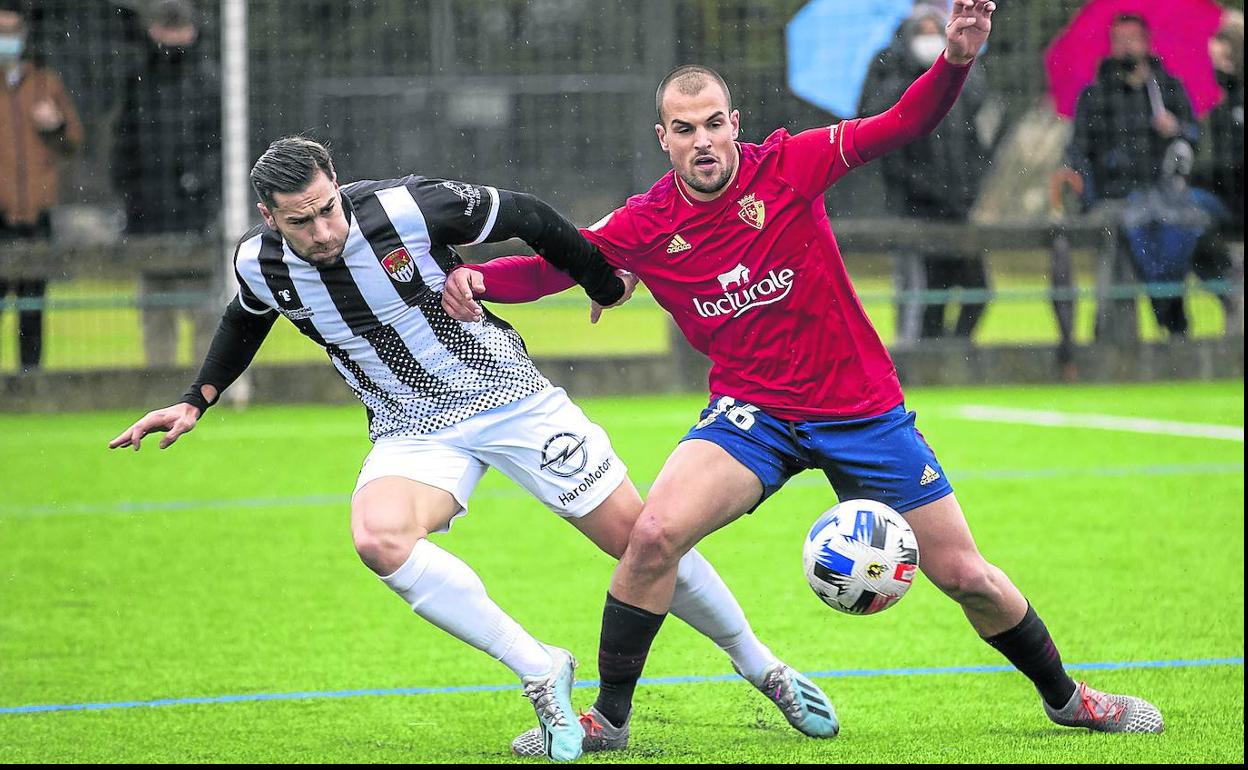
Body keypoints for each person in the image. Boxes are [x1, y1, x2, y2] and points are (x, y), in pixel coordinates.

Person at [444, 1, 1164, 754]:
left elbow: (901, 125)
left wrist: (955, 59)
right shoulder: (645, 223)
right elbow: (556, 263)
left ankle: (1069, 698)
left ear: (734, 122)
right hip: (752, 415)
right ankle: (609, 721)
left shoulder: (788, 163)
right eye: (684, 129)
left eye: (714, 122)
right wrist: (481, 283)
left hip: (862, 411)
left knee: (966, 575)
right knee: (653, 535)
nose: (703, 141)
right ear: (664, 139)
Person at [107, 137, 834, 762]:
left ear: (337, 186)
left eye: (328, 208)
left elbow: (526, 214)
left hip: (508, 396)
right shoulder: (258, 262)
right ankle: (541, 668)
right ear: (271, 218)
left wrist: (604, 282)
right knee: (379, 539)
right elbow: (247, 317)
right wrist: (196, 398)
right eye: (303, 221)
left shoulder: (402, 208)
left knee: (642, 540)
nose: (324, 230)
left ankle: (762, 667)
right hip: (410, 426)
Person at [859, 1, 995, 342]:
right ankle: (919, 362)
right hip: (914, 210)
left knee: (976, 288)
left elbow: (977, 137)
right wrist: (923, 187)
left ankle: (951, 351)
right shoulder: (890, 79)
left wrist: (967, 189)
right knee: (921, 294)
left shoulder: (965, 78)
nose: (930, 37)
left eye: (937, 30)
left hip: (958, 209)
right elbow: (880, 142)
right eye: (924, 32)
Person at [1067, 13, 1199, 341]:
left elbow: (1195, 138)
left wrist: (1176, 129)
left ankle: (1172, 321)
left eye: (1132, 38)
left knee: (1173, 247)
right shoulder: (1094, 95)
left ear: (1146, 42)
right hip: (1116, 199)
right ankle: (1115, 339)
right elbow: (1079, 152)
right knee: (1120, 248)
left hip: (1163, 197)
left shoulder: (1167, 89)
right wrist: (1091, 198)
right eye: (1119, 39)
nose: (1126, 46)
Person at [111, 0, 222, 367]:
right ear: (153, 31)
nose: (172, 37)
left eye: (179, 28)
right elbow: (123, 143)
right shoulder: (137, 81)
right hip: (148, 216)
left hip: (197, 218)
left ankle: (204, 392)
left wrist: (201, 184)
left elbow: (224, 146)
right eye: (166, 28)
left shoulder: (209, 81)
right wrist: (130, 195)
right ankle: (157, 390)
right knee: (156, 311)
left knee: (205, 309)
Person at [0, 0, 83, 372]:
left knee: (33, 304)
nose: (7, 39)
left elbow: (74, 141)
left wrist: (55, 126)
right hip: (1, 212)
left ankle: (31, 382)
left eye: (12, 31)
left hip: (37, 210)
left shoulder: (44, 81)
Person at [1191, 10, 1244, 335]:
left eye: (1222, 63)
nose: (1217, 71)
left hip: (1234, 201)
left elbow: (1233, 168)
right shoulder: (1222, 109)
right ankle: (1227, 283)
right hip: (1228, 201)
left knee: (1187, 212)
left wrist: (1199, 178)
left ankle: (1228, 281)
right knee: (1184, 220)